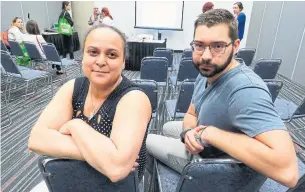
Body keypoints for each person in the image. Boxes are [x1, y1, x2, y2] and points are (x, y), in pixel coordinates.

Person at [146, 9, 298, 188]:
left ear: (235, 46)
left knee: (146, 140)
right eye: (199, 45)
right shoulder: (208, 71)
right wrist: (188, 133)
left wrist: (212, 134)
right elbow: (191, 113)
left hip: (216, 164)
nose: (206, 56)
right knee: (166, 126)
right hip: (206, 141)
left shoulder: (246, 90)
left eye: (218, 46)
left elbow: (289, 172)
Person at [28, 24, 152, 183]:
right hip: (73, 179)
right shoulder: (74, 87)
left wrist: (75, 125)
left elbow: (116, 169)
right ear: (83, 56)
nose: (101, 61)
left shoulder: (134, 98)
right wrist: (102, 155)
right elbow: (37, 139)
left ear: (123, 63)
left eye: (112, 54)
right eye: (93, 52)